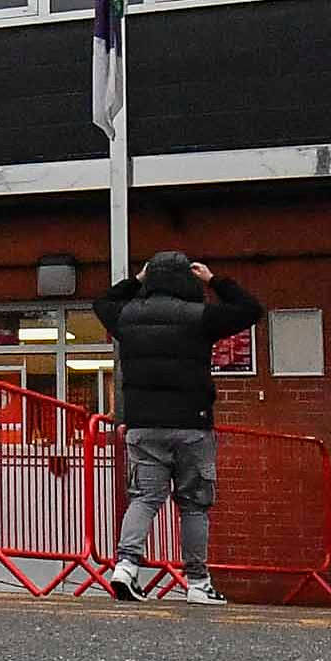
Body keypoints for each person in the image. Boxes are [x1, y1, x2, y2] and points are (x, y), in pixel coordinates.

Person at [94, 251, 262, 603]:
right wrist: (214, 280)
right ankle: (198, 584)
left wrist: (136, 280)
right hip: (191, 424)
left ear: (150, 278)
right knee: (193, 506)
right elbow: (250, 309)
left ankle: (125, 565)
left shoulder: (126, 317)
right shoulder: (200, 316)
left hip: (142, 426)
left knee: (145, 499)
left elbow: (102, 302)